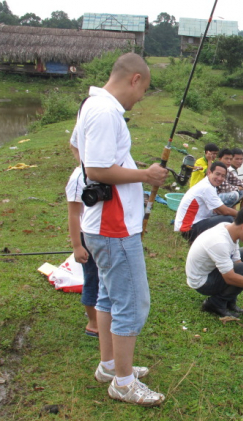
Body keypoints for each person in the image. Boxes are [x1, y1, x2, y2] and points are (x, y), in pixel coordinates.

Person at [70, 52, 168, 407]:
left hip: (103, 224)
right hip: (112, 228)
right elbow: (95, 168)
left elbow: (78, 150)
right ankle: (123, 384)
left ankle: (109, 366)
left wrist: (125, 170)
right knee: (133, 303)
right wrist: (144, 175)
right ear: (135, 79)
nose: (140, 99)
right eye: (143, 91)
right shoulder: (106, 110)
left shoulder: (91, 105)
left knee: (110, 297)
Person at [185, 205, 243, 317]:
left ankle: (229, 301)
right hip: (202, 282)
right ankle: (215, 304)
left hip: (210, 270)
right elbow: (230, 277)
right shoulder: (220, 242)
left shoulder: (230, 229)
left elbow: (237, 263)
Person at [65, 166, 100, 338]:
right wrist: (77, 246)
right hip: (87, 234)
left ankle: (102, 314)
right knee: (92, 277)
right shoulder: (79, 177)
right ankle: (93, 324)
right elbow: (73, 214)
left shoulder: (99, 170)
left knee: (103, 278)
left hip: (101, 233)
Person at [174, 162, 237, 245]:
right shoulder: (207, 187)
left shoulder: (209, 184)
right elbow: (225, 211)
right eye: (217, 174)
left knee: (226, 218)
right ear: (209, 173)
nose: (219, 178)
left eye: (223, 176)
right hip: (188, 229)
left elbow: (218, 210)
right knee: (228, 219)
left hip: (192, 225)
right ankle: (224, 246)